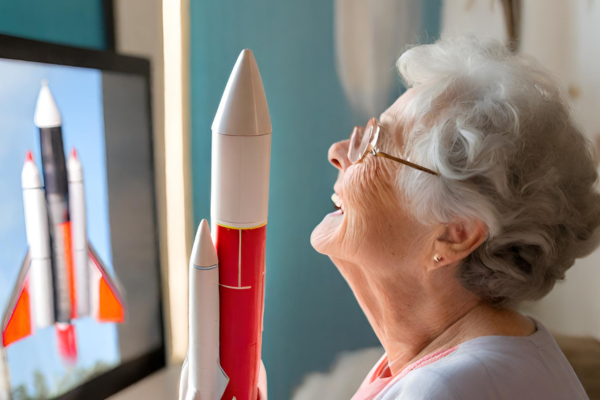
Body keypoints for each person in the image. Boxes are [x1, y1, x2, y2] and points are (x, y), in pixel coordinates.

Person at [311, 36, 600, 400]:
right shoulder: (463, 360)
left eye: (375, 144)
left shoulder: (447, 388)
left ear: (456, 233)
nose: (337, 152)